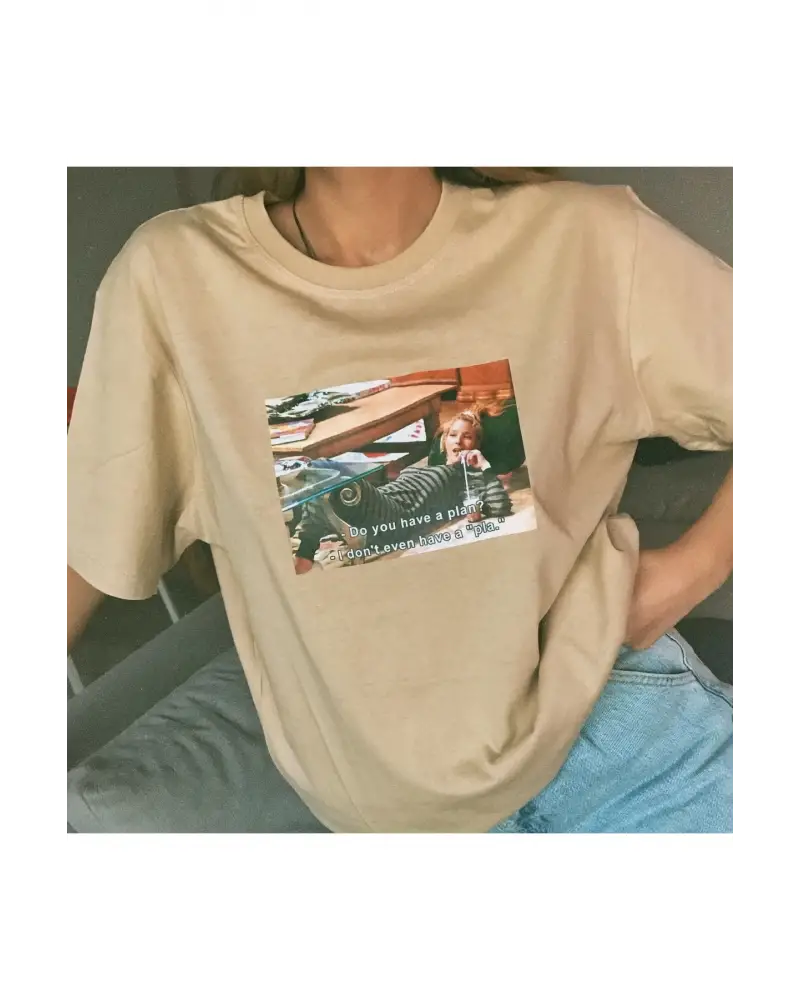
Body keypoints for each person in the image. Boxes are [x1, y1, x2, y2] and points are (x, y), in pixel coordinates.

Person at [65, 167, 735, 833]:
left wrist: (695, 569)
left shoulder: (586, 240)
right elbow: (85, 550)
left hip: (630, 754)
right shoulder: (175, 280)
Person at [292, 415, 512, 572]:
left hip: (396, 519)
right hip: (379, 502)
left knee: (322, 467)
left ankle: (302, 549)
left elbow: (500, 507)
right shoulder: (427, 467)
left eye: (467, 437)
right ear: (444, 441)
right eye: (453, 435)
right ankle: (305, 555)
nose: (458, 441)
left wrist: (484, 466)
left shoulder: (467, 479)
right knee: (319, 486)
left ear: (475, 445)